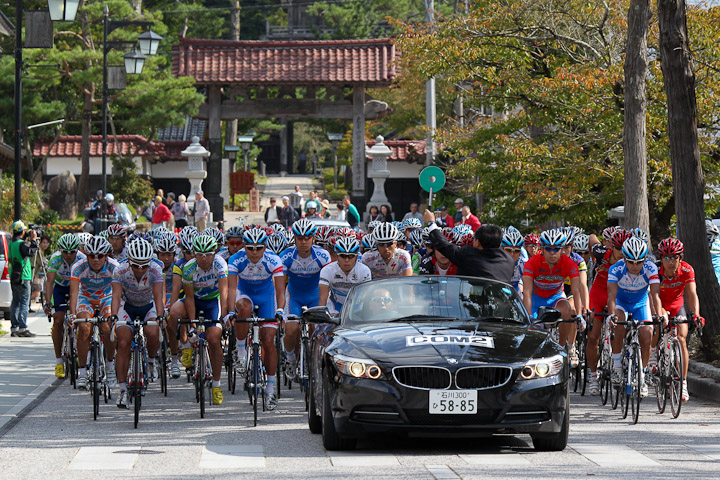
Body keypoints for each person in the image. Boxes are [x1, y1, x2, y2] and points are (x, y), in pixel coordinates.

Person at [226, 228, 285, 411]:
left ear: (264, 247)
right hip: (245, 294)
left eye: (258, 248)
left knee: (268, 341)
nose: (254, 252)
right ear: (244, 247)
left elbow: (280, 290)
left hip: (266, 297)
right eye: (250, 248)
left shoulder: (273, 259)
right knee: (244, 308)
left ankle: (270, 388)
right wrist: (229, 312)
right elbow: (230, 289)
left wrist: (281, 309)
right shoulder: (236, 259)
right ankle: (241, 350)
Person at [110, 239, 164, 408]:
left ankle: (150, 360)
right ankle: (122, 389)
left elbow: (158, 297)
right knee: (124, 341)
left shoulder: (155, 270)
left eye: (144, 266)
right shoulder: (120, 270)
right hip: (128, 307)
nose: (140, 270)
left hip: (148, 306)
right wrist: (113, 315)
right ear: (129, 262)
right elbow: (116, 296)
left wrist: (160, 316)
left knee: (153, 331)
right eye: (136, 266)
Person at [607, 237, 662, 398]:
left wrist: (658, 315)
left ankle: (642, 376)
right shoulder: (616, 269)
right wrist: (611, 315)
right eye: (631, 262)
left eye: (639, 262)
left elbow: (655, 294)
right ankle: (617, 366)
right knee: (619, 325)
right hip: (621, 303)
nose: (635, 266)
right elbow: (611, 295)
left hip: (640, 304)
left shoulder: (650, 268)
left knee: (646, 335)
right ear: (624, 259)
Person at [522, 229, 585, 365]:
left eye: (556, 249)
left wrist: (579, 315)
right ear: (542, 249)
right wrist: (528, 317)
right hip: (535, 300)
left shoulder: (569, 264)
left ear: (562, 249)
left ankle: (562, 348)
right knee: (535, 332)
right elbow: (526, 292)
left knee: (567, 310)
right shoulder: (532, 263)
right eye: (548, 249)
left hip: (555, 297)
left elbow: (576, 291)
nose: (552, 253)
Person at [279, 219, 331, 377]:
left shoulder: (322, 255)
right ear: (294, 239)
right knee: (291, 330)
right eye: (299, 238)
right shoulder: (286, 255)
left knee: (316, 330)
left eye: (307, 238)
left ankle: (314, 359)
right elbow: (280, 285)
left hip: (315, 296)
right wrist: (280, 308)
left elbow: (327, 284)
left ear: (313, 238)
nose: (303, 242)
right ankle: (290, 358)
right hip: (294, 296)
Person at [182, 235, 229, 406]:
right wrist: (193, 324)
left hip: (213, 302)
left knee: (214, 339)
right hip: (195, 300)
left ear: (214, 253)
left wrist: (224, 316)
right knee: (174, 312)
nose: (204, 258)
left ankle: (216, 385)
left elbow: (224, 293)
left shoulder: (220, 264)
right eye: (200, 254)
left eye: (208, 254)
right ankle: (185, 346)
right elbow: (188, 298)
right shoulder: (188, 268)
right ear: (194, 254)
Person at [68, 236, 119, 390]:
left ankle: (110, 367)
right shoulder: (78, 267)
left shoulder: (114, 267)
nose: (96, 259)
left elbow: (117, 293)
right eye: (92, 256)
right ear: (87, 255)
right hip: (86, 298)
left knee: (108, 328)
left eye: (100, 256)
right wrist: (72, 315)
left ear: (106, 256)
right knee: (84, 328)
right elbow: (74, 294)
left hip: (106, 297)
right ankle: (83, 372)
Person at [423, 210, 514, 283]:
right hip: (502, 304)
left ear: (477, 242)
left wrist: (431, 223)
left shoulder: (469, 256)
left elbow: (444, 245)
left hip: (471, 304)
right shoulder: (509, 260)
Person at [44, 234, 85, 378]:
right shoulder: (55, 259)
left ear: (77, 250)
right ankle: (59, 362)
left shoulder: (82, 259)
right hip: (60, 288)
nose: (68, 255)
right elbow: (49, 282)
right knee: (58, 320)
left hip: (78, 287)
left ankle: (82, 351)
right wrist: (48, 302)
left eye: (72, 252)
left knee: (82, 320)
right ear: (60, 251)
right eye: (65, 252)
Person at [319, 237, 372, 313]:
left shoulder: (364, 271)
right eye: (343, 256)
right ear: (337, 256)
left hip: (356, 306)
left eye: (350, 256)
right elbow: (322, 298)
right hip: (336, 305)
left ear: (356, 257)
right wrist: (321, 319)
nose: (347, 260)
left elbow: (366, 298)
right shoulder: (327, 270)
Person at [8, 221, 38, 337]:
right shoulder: (22, 244)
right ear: (22, 231)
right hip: (24, 276)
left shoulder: (11, 244)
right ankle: (22, 328)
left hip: (14, 276)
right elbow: (31, 252)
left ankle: (14, 328)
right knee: (24, 302)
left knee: (15, 302)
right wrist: (34, 240)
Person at [30, 235, 51, 309]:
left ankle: (28, 305)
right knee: (36, 293)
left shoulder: (41, 251)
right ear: (40, 243)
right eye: (44, 242)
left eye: (47, 243)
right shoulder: (38, 251)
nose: (45, 244)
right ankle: (26, 301)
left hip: (36, 274)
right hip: (34, 274)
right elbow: (41, 262)